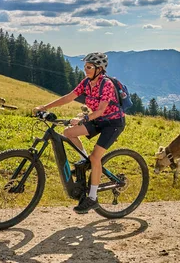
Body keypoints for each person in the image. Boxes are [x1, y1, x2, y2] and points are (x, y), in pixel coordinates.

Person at [34, 52, 125, 214]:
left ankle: (92, 198)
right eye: (85, 66)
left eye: (89, 67)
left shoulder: (107, 85)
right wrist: (45, 107)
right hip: (98, 120)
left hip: (113, 123)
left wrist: (83, 119)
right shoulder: (86, 83)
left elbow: (102, 110)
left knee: (96, 156)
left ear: (99, 69)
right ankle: (86, 160)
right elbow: (68, 97)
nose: (85, 70)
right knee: (69, 132)